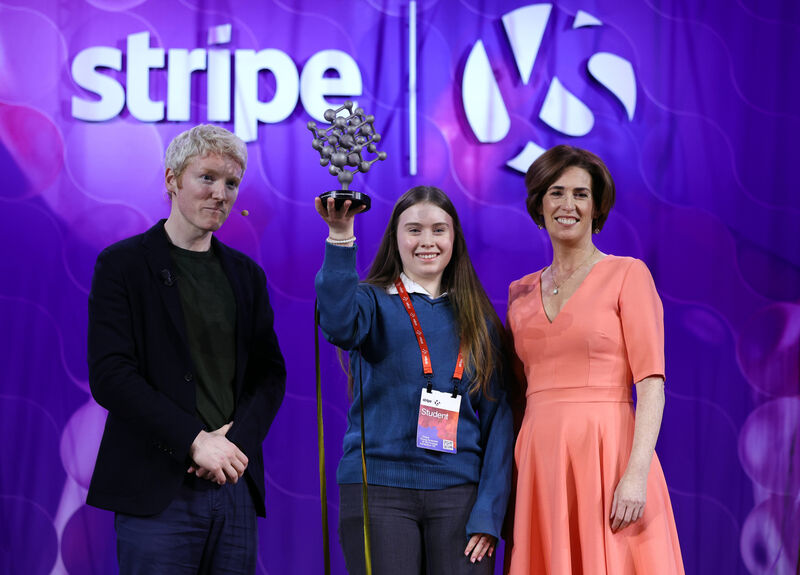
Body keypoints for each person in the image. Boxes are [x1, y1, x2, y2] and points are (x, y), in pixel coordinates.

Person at [87, 124, 286, 574]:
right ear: (172, 179)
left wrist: (230, 446)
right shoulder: (122, 265)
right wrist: (195, 442)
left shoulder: (246, 275)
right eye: (208, 178)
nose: (221, 193)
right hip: (156, 488)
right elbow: (112, 375)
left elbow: (270, 375)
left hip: (232, 485)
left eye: (231, 183)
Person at [314, 186, 513, 574]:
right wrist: (340, 237)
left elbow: (499, 421)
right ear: (396, 238)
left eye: (439, 230)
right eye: (414, 230)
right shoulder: (370, 302)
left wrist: (489, 511)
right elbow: (337, 324)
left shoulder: (481, 318)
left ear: (454, 239)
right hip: (378, 493)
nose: (427, 241)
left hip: (461, 498)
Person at [504, 145, 684, 574]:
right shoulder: (518, 294)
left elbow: (652, 384)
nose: (568, 205)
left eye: (581, 194)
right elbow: (513, 396)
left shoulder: (628, 274)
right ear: (539, 204)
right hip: (539, 462)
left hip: (610, 456)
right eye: (557, 192)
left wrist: (636, 472)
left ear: (597, 206)